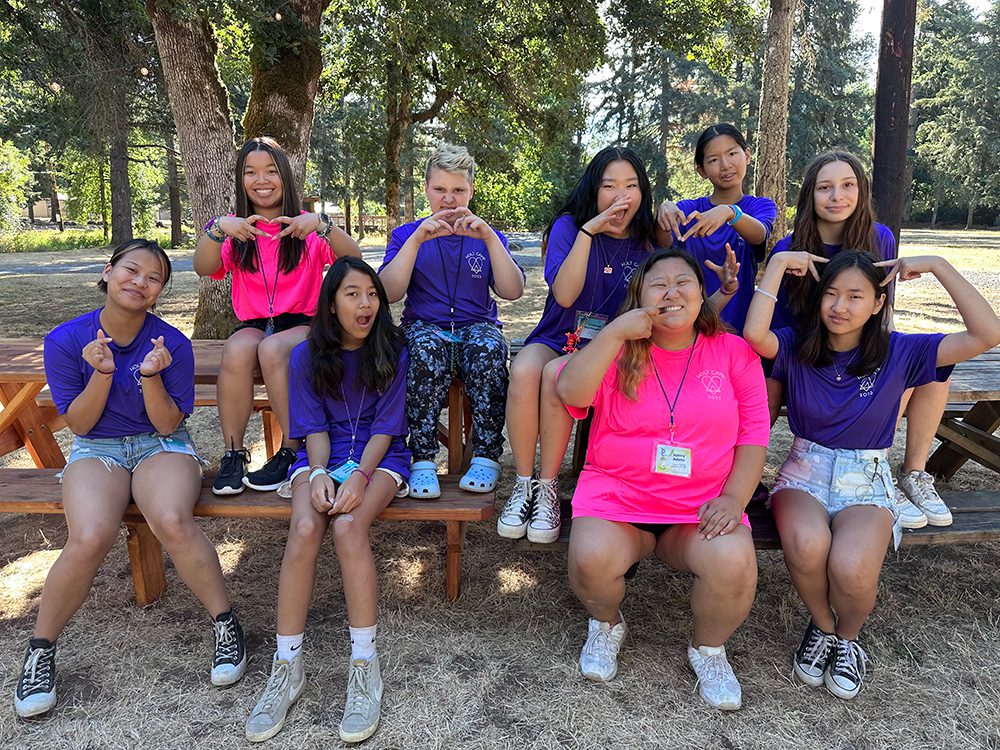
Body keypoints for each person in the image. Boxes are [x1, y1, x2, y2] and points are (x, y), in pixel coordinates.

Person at [743, 250, 1000, 699]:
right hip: (804, 470)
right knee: (807, 544)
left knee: (852, 567)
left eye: (856, 296)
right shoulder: (796, 345)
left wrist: (938, 264)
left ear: (878, 303)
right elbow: (753, 333)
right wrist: (781, 263)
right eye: (832, 295)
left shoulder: (902, 350)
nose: (840, 307)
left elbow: (987, 333)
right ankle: (823, 628)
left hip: (868, 476)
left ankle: (848, 640)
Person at [14, 239, 246, 719]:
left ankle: (226, 625)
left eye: (153, 277)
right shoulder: (65, 340)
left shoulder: (170, 344)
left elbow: (166, 424)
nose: (140, 282)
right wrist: (101, 372)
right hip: (96, 448)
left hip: (161, 446)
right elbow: (79, 425)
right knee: (90, 536)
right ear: (108, 271)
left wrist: (151, 377)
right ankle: (40, 650)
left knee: (171, 519)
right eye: (131, 270)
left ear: (160, 290)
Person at [556, 248, 768, 710]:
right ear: (640, 296)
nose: (671, 291)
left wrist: (734, 498)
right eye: (658, 283)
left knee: (733, 563)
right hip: (619, 496)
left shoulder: (733, 353)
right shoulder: (618, 348)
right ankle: (607, 624)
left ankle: (708, 649)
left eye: (683, 282)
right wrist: (613, 332)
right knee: (590, 558)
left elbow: (754, 436)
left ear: (700, 296)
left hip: (698, 507)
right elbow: (570, 391)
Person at [501, 146, 739, 544]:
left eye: (631, 186)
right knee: (527, 368)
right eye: (609, 186)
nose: (620, 196)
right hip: (560, 336)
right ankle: (525, 485)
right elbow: (564, 295)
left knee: (553, 375)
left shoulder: (647, 239)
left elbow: (673, 303)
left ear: (643, 194)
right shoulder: (569, 226)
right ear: (594, 190)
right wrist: (588, 231)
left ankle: (548, 487)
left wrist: (722, 293)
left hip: (616, 351)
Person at [244, 257, 409, 743]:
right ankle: (287, 666)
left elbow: (386, 427)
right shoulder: (305, 355)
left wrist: (358, 476)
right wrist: (317, 472)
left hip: (381, 458)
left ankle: (364, 663)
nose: (365, 304)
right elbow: (313, 428)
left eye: (372, 294)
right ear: (331, 303)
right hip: (322, 455)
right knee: (305, 526)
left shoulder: (394, 349)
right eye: (353, 294)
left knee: (348, 526)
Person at [766, 151, 951, 530]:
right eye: (825, 187)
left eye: (847, 185)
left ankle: (906, 471)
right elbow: (778, 317)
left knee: (932, 364)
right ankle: (745, 477)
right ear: (809, 196)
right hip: (806, 350)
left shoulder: (879, 237)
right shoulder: (790, 247)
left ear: (861, 190)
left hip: (861, 345)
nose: (837, 196)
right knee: (765, 376)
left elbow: (879, 309)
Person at [194, 136, 361, 496]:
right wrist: (219, 228)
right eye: (251, 172)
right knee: (238, 349)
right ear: (241, 180)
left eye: (271, 171)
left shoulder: (304, 228)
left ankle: (291, 448)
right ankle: (234, 453)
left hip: (301, 323)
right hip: (254, 323)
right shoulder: (235, 230)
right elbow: (203, 266)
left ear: (285, 176)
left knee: (273, 349)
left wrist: (321, 226)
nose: (261, 179)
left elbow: (355, 260)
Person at [378, 143, 525, 499]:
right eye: (440, 189)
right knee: (422, 352)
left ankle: (486, 455)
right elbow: (388, 292)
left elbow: (513, 291)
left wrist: (490, 238)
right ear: (427, 189)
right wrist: (416, 240)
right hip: (425, 325)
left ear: (470, 191)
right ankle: (423, 458)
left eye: (458, 190)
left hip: (477, 324)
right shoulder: (406, 235)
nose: (448, 199)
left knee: (490, 350)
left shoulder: (486, 235)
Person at [655, 123, 777, 335]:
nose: (725, 165)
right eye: (713, 160)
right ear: (701, 170)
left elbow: (759, 235)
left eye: (732, 153)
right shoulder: (689, 210)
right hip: (691, 333)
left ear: (747, 155)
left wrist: (731, 213)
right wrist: (662, 213)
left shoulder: (760, 206)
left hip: (739, 332)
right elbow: (662, 244)